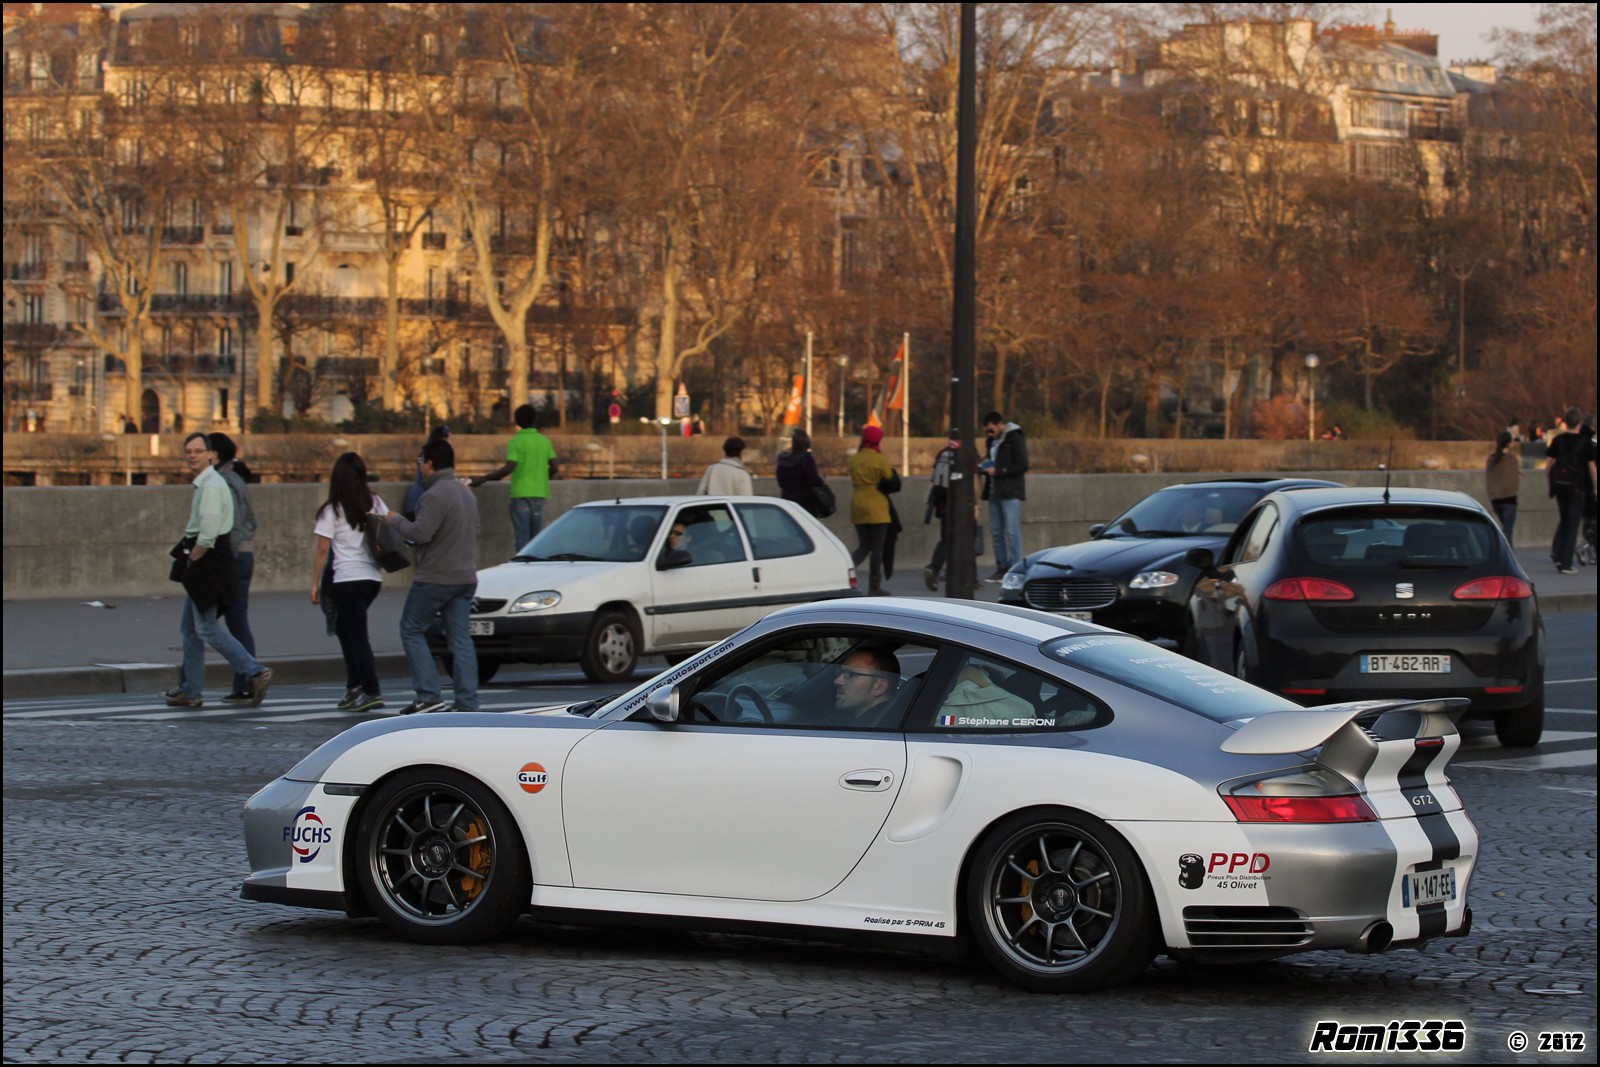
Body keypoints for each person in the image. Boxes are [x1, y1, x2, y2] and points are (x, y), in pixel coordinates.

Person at [162, 432, 272, 709]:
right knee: (189, 628)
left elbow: (208, 533)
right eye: (188, 451)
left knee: (206, 628)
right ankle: (191, 690)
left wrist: (193, 560)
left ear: (211, 454)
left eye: (198, 451)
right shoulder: (210, 482)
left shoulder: (211, 485)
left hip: (209, 558)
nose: (192, 455)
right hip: (213, 557)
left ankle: (254, 671)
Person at [385, 436, 481, 714]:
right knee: (460, 639)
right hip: (465, 576)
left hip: (436, 576)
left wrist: (395, 521)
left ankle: (428, 695)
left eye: (420, 461)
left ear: (429, 464)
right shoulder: (466, 493)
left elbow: (420, 533)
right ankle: (467, 701)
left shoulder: (434, 495)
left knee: (411, 629)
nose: (419, 467)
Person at [311, 452, 390, 713]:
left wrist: (313, 583)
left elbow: (323, 549)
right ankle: (353, 686)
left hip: (346, 579)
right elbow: (391, 524)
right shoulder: (375, 502)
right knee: (347, 633)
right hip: (372, 578)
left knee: (355, 637)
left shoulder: (333, 509)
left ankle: (370, 690)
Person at [205, 433, 260, 704]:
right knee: (238, 621)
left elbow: (234, 525)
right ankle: (246, 681)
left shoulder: (223, 482)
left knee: (213, 623)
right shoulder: (238, 479)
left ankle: (249, 678)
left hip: (234, 557)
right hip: (245, 556)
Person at [469, 405, 559, 551]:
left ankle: (523, 568)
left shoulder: (516, 442)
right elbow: (555, 467)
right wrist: (543, 476)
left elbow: (508, 468)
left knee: (522, 537)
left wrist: (484, 478)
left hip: (520, 494)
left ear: (517, 422)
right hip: (539, 494)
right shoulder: (545, 442)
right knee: (536, 538)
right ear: (535, 419)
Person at [1546, 406, 1598, 574]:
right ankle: (1565, 563)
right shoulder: (1585, 443)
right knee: (1572, 524)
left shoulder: (1558, 440)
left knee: (1564, 520)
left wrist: (1550, 486)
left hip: (1560, 486)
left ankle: (1558, 554)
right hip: (1577, 488)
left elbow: (1548, 466)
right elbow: (1592, 469)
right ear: (1579, 423)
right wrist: (1596, 487)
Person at [980, 410, 1028, 581]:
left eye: (991, 430)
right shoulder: (991, 442)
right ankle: (1001, 566)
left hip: (1010, 491)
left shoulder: (1014, 437)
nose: (989, 434)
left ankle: (1015, 568)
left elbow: (1022, 465)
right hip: (994, 491)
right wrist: (984, 466)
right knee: (996, 532)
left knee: (1012, 532)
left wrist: (998, 471)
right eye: (987, 432)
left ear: (1000, 424)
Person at [848, 425, 895, 594]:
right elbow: (889, 478)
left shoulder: (855, 458)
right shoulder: (879, 458)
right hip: (877, 505)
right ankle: (874, 587)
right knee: (877, 548)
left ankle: (844, 572)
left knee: (863, 546)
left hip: (858, 502)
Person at [922, 432, 959, 591]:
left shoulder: (942, 453)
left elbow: (933, 479)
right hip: (959, 506)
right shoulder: (965, 454)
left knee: (946, 538)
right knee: (958, 540)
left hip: (942, 505)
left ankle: (939, 570)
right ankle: (936, 567)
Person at [830, 647, 902, 727]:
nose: (837, 681)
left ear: (879, 686)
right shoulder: (888, 723)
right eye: (841, 672)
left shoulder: (878, 730)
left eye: (851, 674)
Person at [775, 429, 828, 515]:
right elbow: (813, 479)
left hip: (787, 499)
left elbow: (780, 480)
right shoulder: (806, 458)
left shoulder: (783, 460)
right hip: (804, 501)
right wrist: (822, 481)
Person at [403, 424, 450, 520]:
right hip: (420, 504)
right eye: (450, 439)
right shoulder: (432, 456)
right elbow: (433, 480)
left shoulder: (428, 453)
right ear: (444, 440)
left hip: (417, 503)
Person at [1486, 430, 1521, 543]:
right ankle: (1507, 556)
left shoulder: (1491, 459)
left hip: (1496, 499)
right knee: (1508, 531)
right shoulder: (1511, 458)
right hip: (1509, 499)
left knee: (1504, 529)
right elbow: (1514, 479)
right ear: (1509, 443)